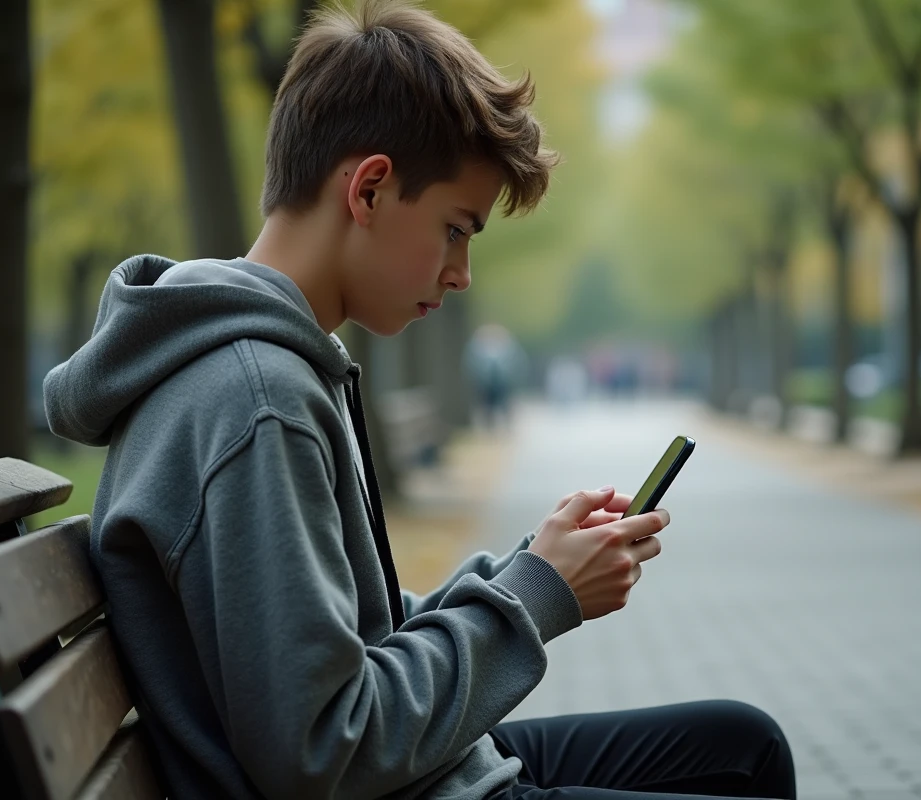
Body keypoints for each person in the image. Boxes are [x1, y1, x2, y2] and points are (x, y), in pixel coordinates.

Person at [42, 2, 796, 798]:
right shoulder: (257, 400)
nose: (462, 272)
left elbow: (349, 647)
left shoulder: (257, 367)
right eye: (456, 229)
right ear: (368, 189)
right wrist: (536, 598)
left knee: (742, 745)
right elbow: (322, 749)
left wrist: (529, 568)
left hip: (422, 776)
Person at [464, 323, 526, 429]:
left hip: (503, 383)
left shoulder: (507, 347)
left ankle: (505, 428)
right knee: (488, 409)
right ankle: (491, 430)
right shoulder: (478, 347)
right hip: (486, 384)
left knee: (504, 406)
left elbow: (517, 364)